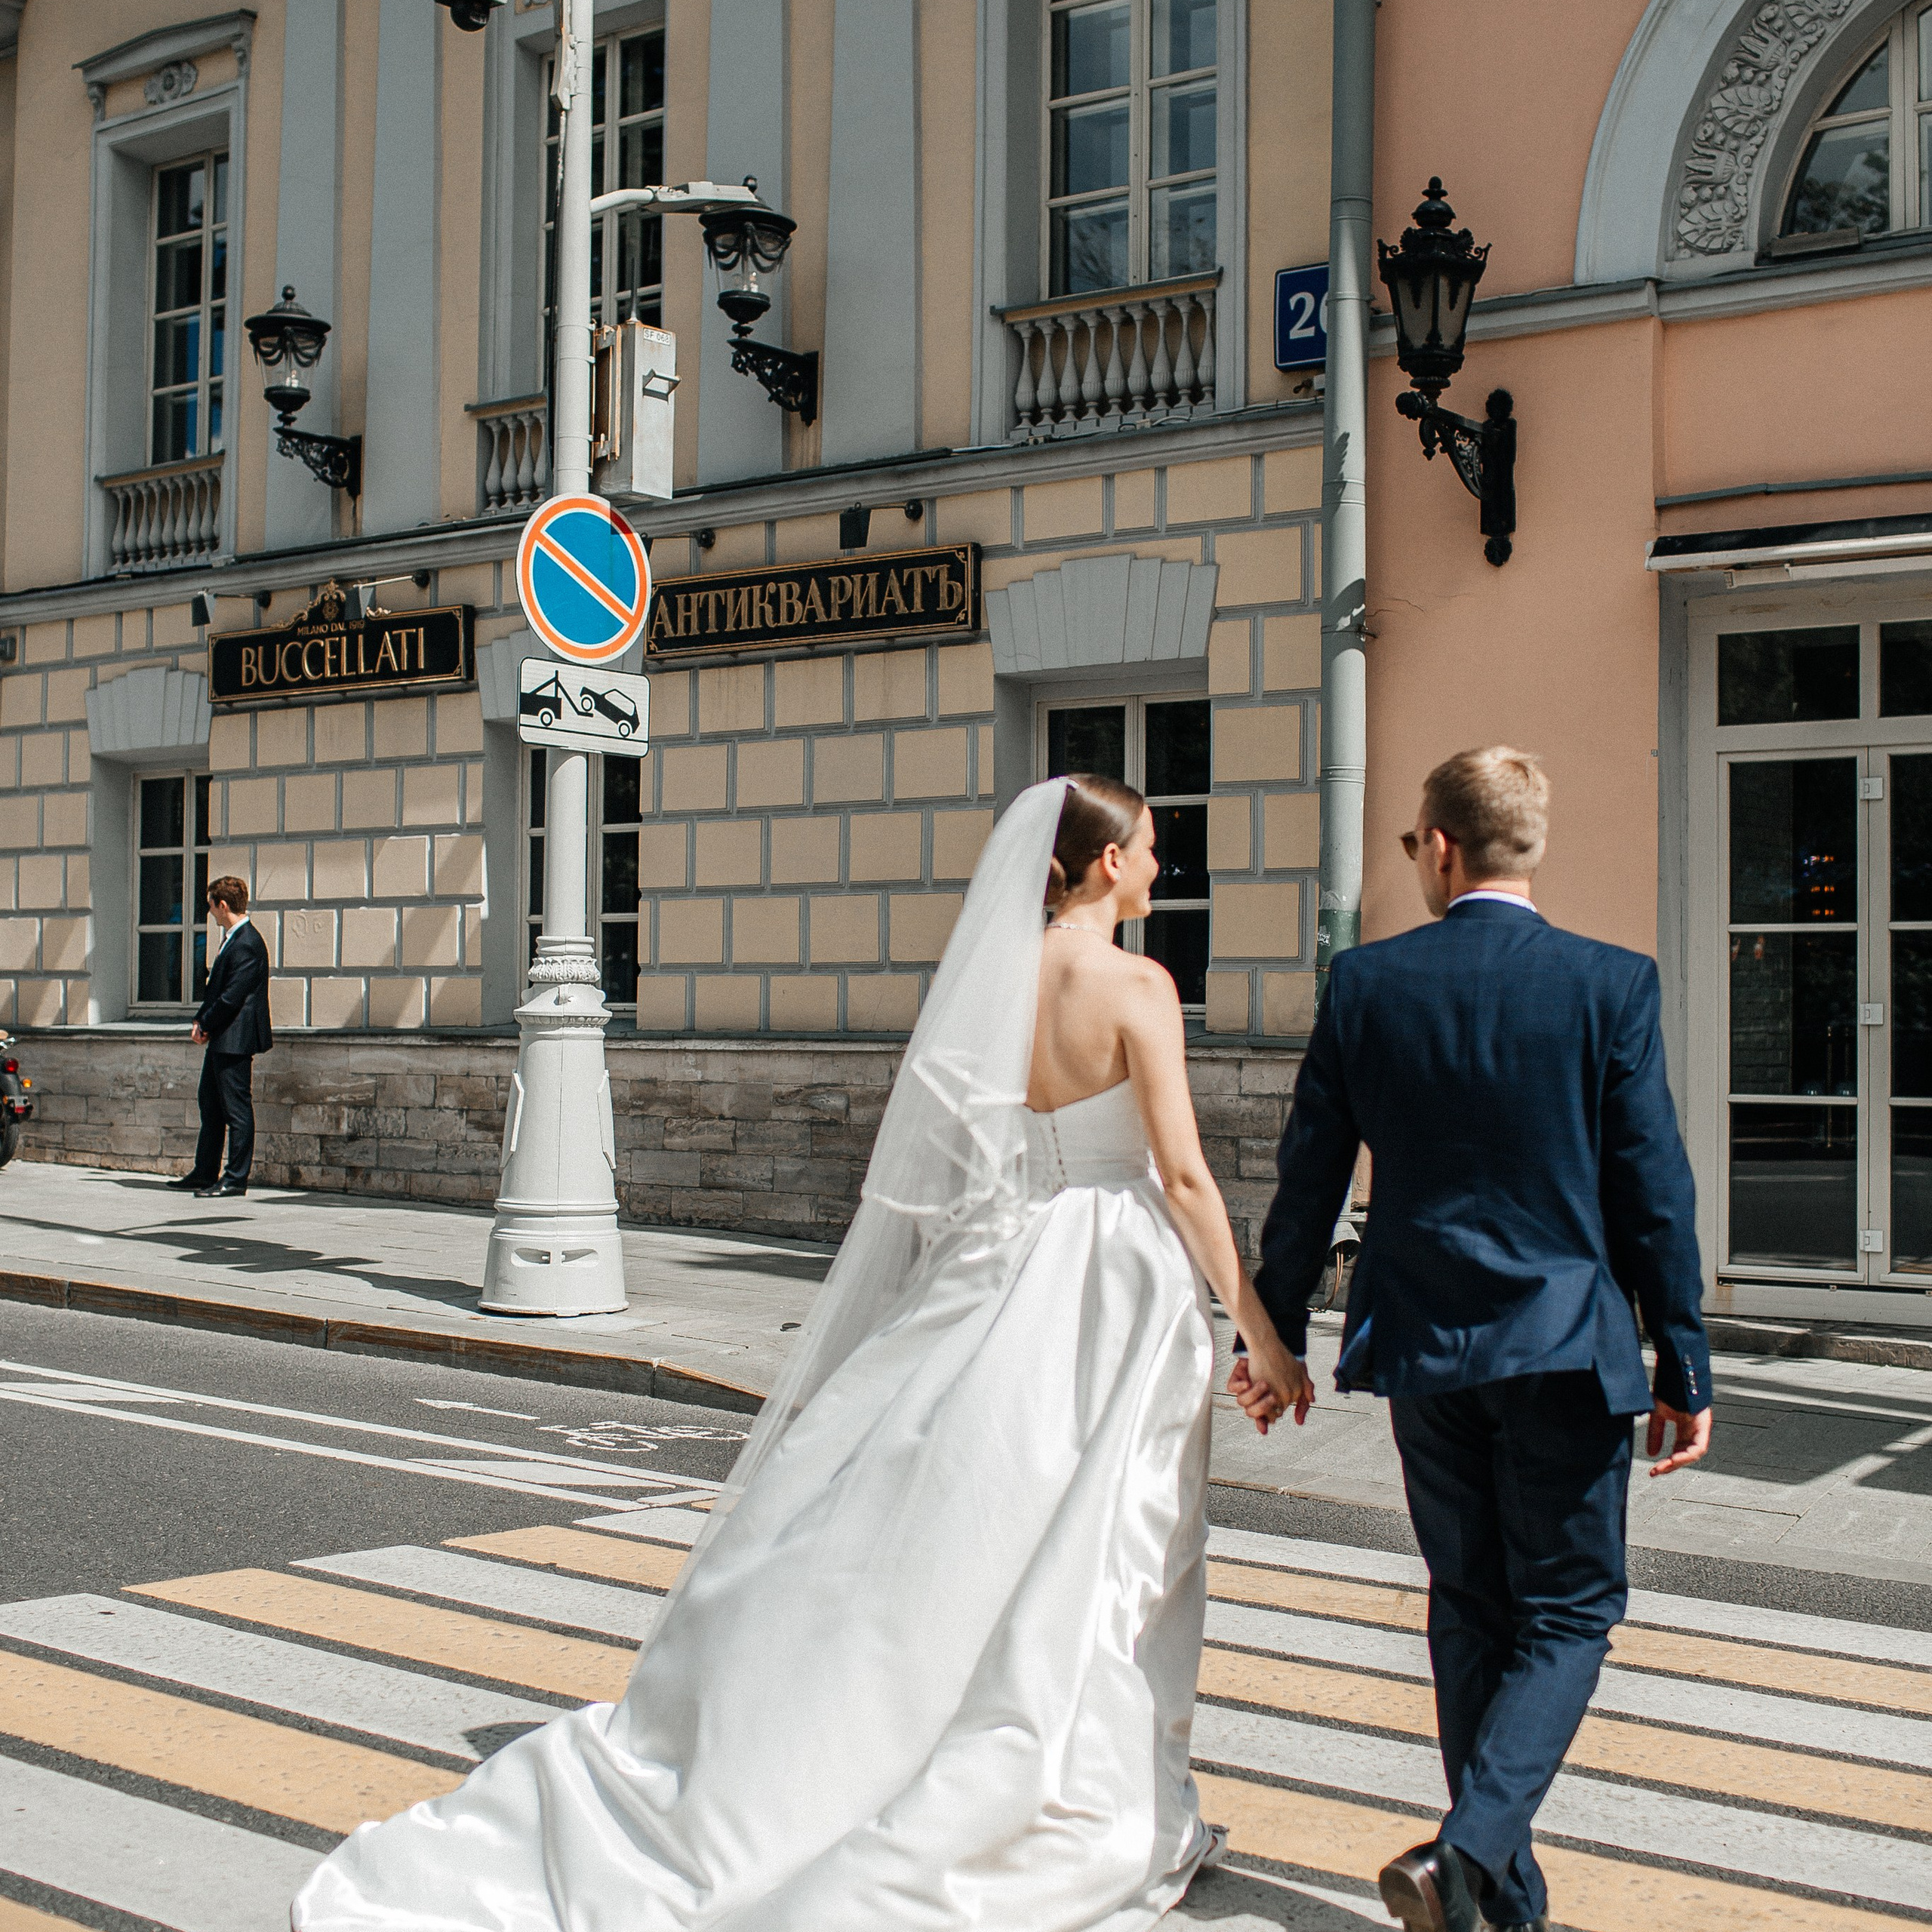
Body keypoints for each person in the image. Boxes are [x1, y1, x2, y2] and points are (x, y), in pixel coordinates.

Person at [291, 775, 1309, 1932]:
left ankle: (883, 1750)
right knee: (1114, 1552)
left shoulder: (993, 981)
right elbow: (1179, 1175)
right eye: (1148, 848)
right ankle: (1101, 1798)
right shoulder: (1137, 984)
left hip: (1007, 1261)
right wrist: (1260, 1333)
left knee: (970, 1528)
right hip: (1111, 1281)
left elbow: (966, 1153)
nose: (1159, 866)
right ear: (1102, 864)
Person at [1244, 747, 1712, 1932]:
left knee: (1469, 1603)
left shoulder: (1368, 984)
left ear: (1440, 849)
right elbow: (1653, 1188)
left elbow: (1308, 1181)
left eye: (1410, 844)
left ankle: (1493, 1891)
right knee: (1568, 1614)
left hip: (1427, 1347)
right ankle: (1470, 1859)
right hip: (1566, 1347)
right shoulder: (1610, 984)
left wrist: (1275, 1334)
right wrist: (1686, 1359)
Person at [169, 875, 272, 1201]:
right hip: (223, 1036)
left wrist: (205, 1024)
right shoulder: (233, 938)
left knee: (237, 1110)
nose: (210, 912)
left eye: (211, 905)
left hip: (236, 1038)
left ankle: (236, 1178)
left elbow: (232, 996)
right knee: (210, 1104)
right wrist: (203, 1019)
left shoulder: (247, 942)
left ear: (223, 905)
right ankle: (204, 1171)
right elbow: (218, 990)